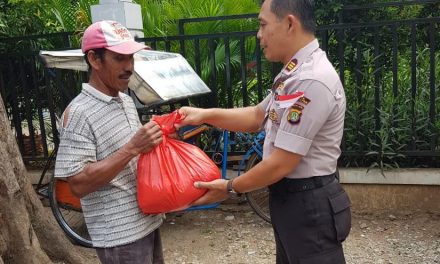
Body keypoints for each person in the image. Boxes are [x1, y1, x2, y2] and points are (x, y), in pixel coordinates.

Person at [176, 0, 351, 263]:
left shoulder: (312, 79)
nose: (259, 34)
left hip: (309, 203)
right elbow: (258, 115)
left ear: (290, 23)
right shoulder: (293, 74)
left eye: (262, 24)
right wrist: (205, 115)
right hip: (292, 199)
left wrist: (231, 186)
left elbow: (282, 163)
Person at [54, 20, 165, 264]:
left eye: (131, 58)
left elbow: (135, 157)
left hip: (147, 221)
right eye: (119, 58)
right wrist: (132, 148)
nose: (129, 67)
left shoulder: (124, 100)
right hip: (120, 237)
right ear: (94, 59)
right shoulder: (79, 114)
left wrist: (158, 139)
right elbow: (78, 184)